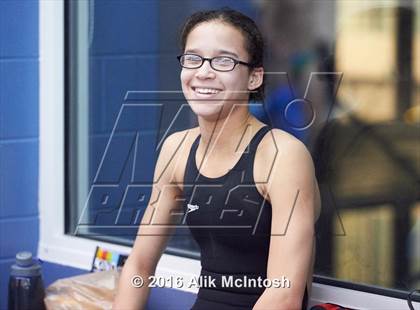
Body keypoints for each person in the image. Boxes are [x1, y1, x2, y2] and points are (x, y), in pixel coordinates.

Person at [113, 8, 321, 310]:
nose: (204, 72)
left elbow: (284, 296)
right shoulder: (177, 149)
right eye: (193, 58)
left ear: (254, 77)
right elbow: (138, 268)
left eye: (223, 60)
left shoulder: (281, 155)